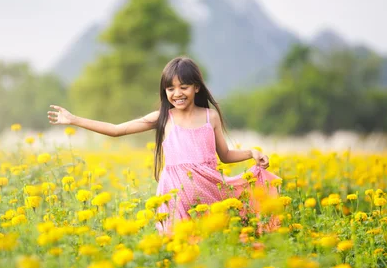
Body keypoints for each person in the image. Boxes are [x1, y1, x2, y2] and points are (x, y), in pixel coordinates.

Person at [48, 56, 280, 234]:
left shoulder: (211, 116)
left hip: (211, 194)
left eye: (184, 87)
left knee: (214, 243)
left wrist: (252, 152)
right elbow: (117, 130)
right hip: (174, 198)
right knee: (177, 247)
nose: (177, 93)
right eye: (171, 88)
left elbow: (226, 155)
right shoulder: (163, 117)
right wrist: (74, 120)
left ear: (196, 87)